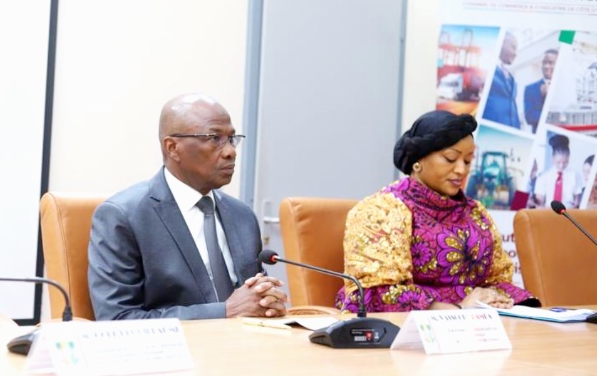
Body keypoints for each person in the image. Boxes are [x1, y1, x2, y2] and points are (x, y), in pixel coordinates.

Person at [88, 93, 288, 320]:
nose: (230, 151)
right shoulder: (124, 216)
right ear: (172, 147)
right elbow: (117, 318)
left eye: (232, 138)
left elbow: (250, 300)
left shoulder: (242, 215)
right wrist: (224, 311)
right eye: (214, 138)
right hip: (178, 343)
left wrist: (267, 302)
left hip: (248, 340)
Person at [335, 110, 538, 313]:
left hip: (480, 324)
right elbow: (374, 295)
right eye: (450, 159)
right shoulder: (382, 210)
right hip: (411, 327)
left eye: (467, 161)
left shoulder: (476, 213)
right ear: (418, 159)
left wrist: (501, 300)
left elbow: (498, 281)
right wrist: (458, 309)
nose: (461, 170)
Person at [481, 32, 521, 129]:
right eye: (513, 47)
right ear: (501, 43)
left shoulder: (511, 77)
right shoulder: (485, 69)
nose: (515, 54)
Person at [533, 134, 582, 208]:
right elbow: (539, 203)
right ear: (552, 158)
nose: (561, 166)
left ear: (569, 158)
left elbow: (577, 201)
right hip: (548, 212)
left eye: (565, 162)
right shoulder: (543, 177)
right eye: (558, 162)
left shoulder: (575, 175)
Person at [523, 49, 557, 134]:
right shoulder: (530, 89)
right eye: (544, 63)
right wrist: (543, 97)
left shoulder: (563, 87)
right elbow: (529, 118)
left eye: (550, 63)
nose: (546, 66)